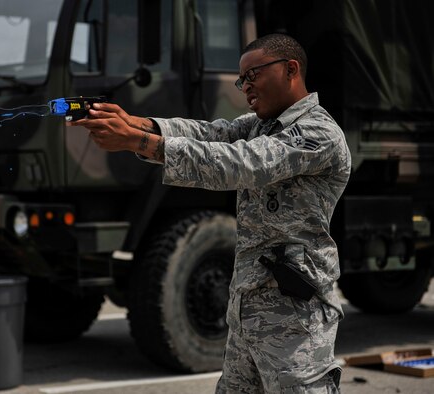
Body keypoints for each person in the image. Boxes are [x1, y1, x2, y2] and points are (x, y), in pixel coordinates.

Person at [71, 34, 351, 393]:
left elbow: (241, 163)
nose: (245, 88)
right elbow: (209, 133)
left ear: (290, 69)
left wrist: (137, 141)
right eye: (241, 80)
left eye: (253, 75)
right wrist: (137, 123)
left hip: (295, 317)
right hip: (247, 308)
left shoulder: (319, 133)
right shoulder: (259, 125)